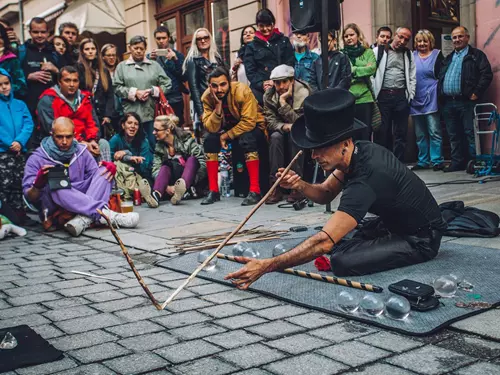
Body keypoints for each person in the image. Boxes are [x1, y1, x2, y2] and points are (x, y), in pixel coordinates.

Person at [225, 88, 446, 287]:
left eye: (320, 148)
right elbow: (326, 193)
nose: (314, 156)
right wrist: (299, 184)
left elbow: (323, 242)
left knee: (341, 260)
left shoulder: (366, 177)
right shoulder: (357, 152)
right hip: (390, 225)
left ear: (345, 143)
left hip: (420, 239)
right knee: (337, 242)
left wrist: (267, 265)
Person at [23, 117, 139, 236]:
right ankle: (105, 215)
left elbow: (97, 180)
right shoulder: (37, 158)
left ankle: (82, 220)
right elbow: (30, 198)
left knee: (105, 171)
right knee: (56, 180)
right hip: (56, 205)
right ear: (51, 134)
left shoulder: (82, 151)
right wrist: (38, 184)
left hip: (82, 197)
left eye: (68, 137)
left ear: (74, 135)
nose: (64, 141)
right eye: (59, 137)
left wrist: (109, 168)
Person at [201, 67, 267, 206]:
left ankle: (255, 190)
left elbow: (249, 122)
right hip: (228, 130)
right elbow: (211, 127)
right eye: (214, 86)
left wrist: (225, 136)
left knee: (247, 138)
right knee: (209, 139)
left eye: (223, 84)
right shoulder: (207, 97)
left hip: (253, 129)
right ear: (209, 86)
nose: (219, 89)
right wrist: (217, 108)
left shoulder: (242, 90)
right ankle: (214, 191)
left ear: (229, 83)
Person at [439, 26, 493, 172]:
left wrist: (476, 93)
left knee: (470, 133)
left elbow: (486, 74)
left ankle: (475, 162)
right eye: (454, 37)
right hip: (449, 102)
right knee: (453, 134)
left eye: (460, 36)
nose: (457, 40)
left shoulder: (476, 55)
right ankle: (457, 162)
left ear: (467, 37)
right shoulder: (448, 58)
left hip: (466, 101)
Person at [37, 65, 111, 162]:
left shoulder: (85, 98)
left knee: (103, 144)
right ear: (59, 82)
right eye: (67, 80)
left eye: (75, 81)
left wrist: (92, 140)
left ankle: (104, 175)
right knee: (78, 148)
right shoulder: (47, 100)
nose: (72, 84)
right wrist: (81, 143)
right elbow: (51, 129)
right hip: (61, 142)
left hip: (85, 139)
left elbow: (93, 124)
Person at [113, 35, 171, 150]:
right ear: (130, 48)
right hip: (131, 115)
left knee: (153, 145)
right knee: (133, 146)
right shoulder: (122, 67)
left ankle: (155, 167)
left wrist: (153, 91)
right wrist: (134, 93)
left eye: (141, 48)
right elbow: (116, 87)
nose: (138, 51)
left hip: (152, 113)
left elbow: (167, 83)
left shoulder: (154, 65)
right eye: (136, 48)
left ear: (145, 49)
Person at [264, 65, 309, 204]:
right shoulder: (269, 96)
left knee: (294, 137)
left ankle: (297, 184)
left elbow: (301, 123)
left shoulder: (304, 92)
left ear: (292, 81)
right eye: (277, 82)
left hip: (302, 132)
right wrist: (284, 126)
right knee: (275, 138)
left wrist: (283, 103)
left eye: (285, 82)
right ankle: (275, 185)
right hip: (281, 130)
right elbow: (270, 122)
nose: (281, 86)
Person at [373, 27, 416, 162]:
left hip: (400, 96)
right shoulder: (379, 51)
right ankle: (383, 163)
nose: (402, 41)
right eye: (400, 37)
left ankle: (399, 163)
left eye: (406, 39)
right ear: (395, 36)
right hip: (383, 96)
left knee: (401, 133)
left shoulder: (408, 54)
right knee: (382, 131)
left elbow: (412, 75)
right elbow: (372, 74)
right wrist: (375, 93)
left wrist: (411, 94)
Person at [0, 69, 34, 224]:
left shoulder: (20, 104)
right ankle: (5, 216)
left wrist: (20, 141)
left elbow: (28, 124)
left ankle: (20, 213)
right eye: (0, 85)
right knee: (4, 184)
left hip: (19, 151)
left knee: (19, 182)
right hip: (3, 152)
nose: (4, 87)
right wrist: (9, 143)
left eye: (6, 83)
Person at [152, 115, 206, 205]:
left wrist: (193, 180)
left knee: (192, 159)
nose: (153, 132)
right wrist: (167, 187)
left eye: (157, 130)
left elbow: (202, 163)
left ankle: (182, 188)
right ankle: (156, 195)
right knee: (165, 167)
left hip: (190, 180)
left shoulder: (186, 140)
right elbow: (155, 169)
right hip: (172, 180)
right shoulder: (159, 147)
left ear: (167, 131)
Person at [244, 9, 295, 105]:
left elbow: (290, 63)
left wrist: (276, 81)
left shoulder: (284, 41)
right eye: (261, 26)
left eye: (268, 25)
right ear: (257, 26)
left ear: (273, 24)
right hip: (260, 92)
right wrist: (262, 84)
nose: (265, 29)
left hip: (282, 88)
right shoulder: (251, 46)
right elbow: (250, 71)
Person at [411, 30, 445, 171]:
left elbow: (442, 75)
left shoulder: (437, 55)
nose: (422, 44)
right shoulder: (411, 56)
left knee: (434, 131)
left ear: (431, 42)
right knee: (420, 134)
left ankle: (437, 160)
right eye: (419, 41)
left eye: (425, 41)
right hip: (415, 99)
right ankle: (423, 161)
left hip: (432, 98)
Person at [109, 112, 157, 207]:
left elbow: (145, 167)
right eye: (129, 123)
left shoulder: (143, 141)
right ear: (123, 125)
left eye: (136, 124)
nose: (133, 126)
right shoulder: (116, 139)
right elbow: (107, 157)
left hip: (139, 174)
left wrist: (129, 157)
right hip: (120, 174)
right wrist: (125, 156)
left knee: (148, 182)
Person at [183, 28, 223, 138]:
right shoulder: (192, 60)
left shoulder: (217, 58)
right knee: (209, 136)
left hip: (221, 102)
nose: (203, 41)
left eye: (205, 37)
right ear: (195, 42)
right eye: (199, 39)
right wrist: (201, 112)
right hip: (205, 104)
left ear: (210, 39)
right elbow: (194, 87)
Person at [19, 17, 59, 126]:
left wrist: (55, 69)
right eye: (36, 32)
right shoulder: (22, 51)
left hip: (51, 105)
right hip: (28, 105)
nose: (40, 35)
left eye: (43, 32)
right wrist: (28, 76)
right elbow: (13, 76)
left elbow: (67, 76)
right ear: (30, 32)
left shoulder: (54, 52)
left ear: (47, 32)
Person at [342, 23, 377, 140]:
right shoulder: (342, 54)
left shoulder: (367, 52)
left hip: (365, 98)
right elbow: (343, 74)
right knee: (351, 136)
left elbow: (372, 69)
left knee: (366, 134)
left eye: (352, 35)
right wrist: (363, 69)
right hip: (347, 99)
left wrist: (353, 70)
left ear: (358, 35)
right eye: (346, 36)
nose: (349, 38)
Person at [77, 38, 114, 138]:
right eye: (87, 49)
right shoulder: (78, 68)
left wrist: (108, 115)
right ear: (82, 51)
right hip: (86, 114)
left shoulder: (103, 70)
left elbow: (110, 94)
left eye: (93, 48)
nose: (90, 51)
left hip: (102, 115)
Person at [149, 26, 186, 126]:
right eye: (158, 38)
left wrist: (175, 59)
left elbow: (183, 76)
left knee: (177, 126)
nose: (161, 41)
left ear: (168, 38)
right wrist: (150, 61)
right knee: (159, 128)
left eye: (164, 38)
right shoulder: (150, 57)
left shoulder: (178, 55)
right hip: (157, 99)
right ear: (155, 39)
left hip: (175, 97)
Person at [0, 24, 26, 99]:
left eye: (0, 37)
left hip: (8, 104)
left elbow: (22, 87)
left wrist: (5, 86)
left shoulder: (12, 60)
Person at [101, 43, 123, 134]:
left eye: (113, 55)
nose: (111, 58)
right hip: (108, 112)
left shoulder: (120, 70)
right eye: (108, 55)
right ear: (103, 57)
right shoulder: (100, 73)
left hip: (121, 110)